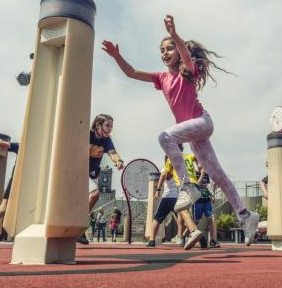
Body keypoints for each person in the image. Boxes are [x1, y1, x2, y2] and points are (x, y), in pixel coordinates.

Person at [102, 15, 259, 245]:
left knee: (165, 136)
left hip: (203, 123)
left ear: (179, 51)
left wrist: (175, 34)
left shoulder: (188, 70)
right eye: (162, 50)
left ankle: (185, 186)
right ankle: (246, 215)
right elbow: (132, 73)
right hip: (195, 136)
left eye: (169, 48)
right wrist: (117, 57)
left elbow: (185, 54)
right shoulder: (161, 78)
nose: (165, 53)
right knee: (219, 176)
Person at [77, 114, 125, 245]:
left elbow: (112, 153)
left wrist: (118, 161)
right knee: (93, 194)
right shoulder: (87, 134)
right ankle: (78, 227)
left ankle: (79, 230)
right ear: (98, 125)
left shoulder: (106, 140)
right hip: (76, 170)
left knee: (89, 198)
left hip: (89, 174)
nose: (110, 129)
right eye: (107, 125)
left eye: (111, 126)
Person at [193, 166, 219, 248]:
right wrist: (202, 174)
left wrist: (212, 196)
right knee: (195, 222)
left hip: (207, 201)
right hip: (198, 201)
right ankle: (188, 237)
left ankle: (212, 240)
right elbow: (196, 185)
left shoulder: (206, 175)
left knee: (210, 220)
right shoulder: (195, 174)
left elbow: (207, 187)